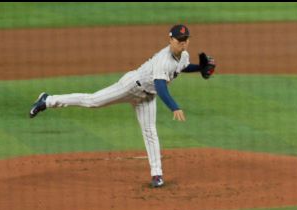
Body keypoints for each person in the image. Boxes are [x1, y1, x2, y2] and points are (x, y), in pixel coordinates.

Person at [28, 25, 216, 188]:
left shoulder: (183, 55)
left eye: (186, 40)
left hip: (147, 97)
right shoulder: (163, 60)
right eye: (179, 40)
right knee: (93, 101)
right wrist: (174, 107)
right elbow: (161, 86)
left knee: (150, 132)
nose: (183, 43)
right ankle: (48, 100)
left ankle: (157, 175)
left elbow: (181, 67)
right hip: (131, 86)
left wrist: (199, 68)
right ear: (171, 39)